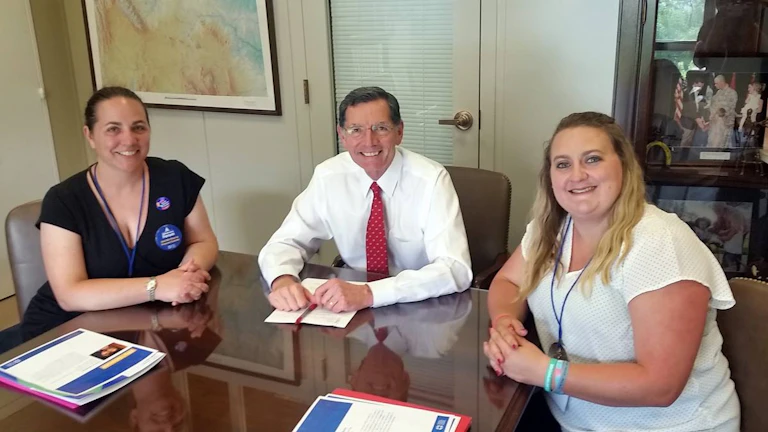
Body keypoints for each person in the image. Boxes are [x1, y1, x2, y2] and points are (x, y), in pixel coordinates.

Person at [483, 112, 739, 431]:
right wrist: (505, 322)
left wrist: (546, 373)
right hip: (573, 420)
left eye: (592, 159)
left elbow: (661, 385)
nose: (576, 175)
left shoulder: (660, 242)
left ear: (624, 165)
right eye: (562, 164)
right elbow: (508, 281)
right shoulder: (548, 231)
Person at [19, 86, 219, 342]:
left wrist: (186, 276)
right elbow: (70, 294)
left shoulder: (175, 177)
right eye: (113, 129)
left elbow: (203, 241)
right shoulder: (63, 200)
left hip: (152, 319)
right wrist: (157, 287)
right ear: (89, 135)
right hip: (71, 328)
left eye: (138, 127)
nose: (128, 140)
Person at [259, 86, 472, 313]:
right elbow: (286, 242)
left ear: (399, 131)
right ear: (342, 135)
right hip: (349, 307)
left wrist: (370, 293)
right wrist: (282, 280)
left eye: (381, 128)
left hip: (419, 303)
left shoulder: (432, 180)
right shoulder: (329, 176)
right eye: (356, 130)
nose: (369, 141)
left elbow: (455, 268)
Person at [707, 75, 738, 148]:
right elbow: (712, 104)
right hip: (715, 123)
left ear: (722, 82)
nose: (715, 85)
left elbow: (728, 108)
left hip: (724, 123)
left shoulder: (732, 93)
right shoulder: (718, 93)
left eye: (716, 83)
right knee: (712, 142)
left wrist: (717, 111)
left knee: (721, 144)